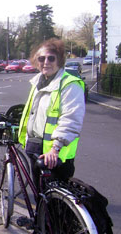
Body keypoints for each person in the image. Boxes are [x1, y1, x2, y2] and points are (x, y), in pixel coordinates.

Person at [18, 38, 85, 192]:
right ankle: (38, 216)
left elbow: (71, 119)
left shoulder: (69, 84)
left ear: (59, 60)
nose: (45, 62)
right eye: (41, 58)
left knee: (55, 204)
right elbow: (33, 115)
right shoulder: (38, 83)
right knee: (40, 195)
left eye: (51, 58)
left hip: (55, 155)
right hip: (35, 147)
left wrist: (55, 148)